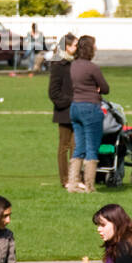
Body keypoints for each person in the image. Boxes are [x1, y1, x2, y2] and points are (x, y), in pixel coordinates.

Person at [68, 35, 109, 193]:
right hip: (90, 108)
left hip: (75, 107)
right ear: (89, 49)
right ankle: (90, 186)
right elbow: (105, 88)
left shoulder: (72, 66)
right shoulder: (92, 67)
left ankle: (72, 184)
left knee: (79, 147)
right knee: (92, 148)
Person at [48, 32, 78, 189]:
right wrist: (70, 101)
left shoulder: (74, 62)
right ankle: (65, 179)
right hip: (64, 112)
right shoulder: (58, 64)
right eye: (74, 45)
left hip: (76, 111)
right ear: (67, 47)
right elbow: (53, 93)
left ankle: (74, 178)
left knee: (76, 146)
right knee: (64, 147)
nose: (77, 48)